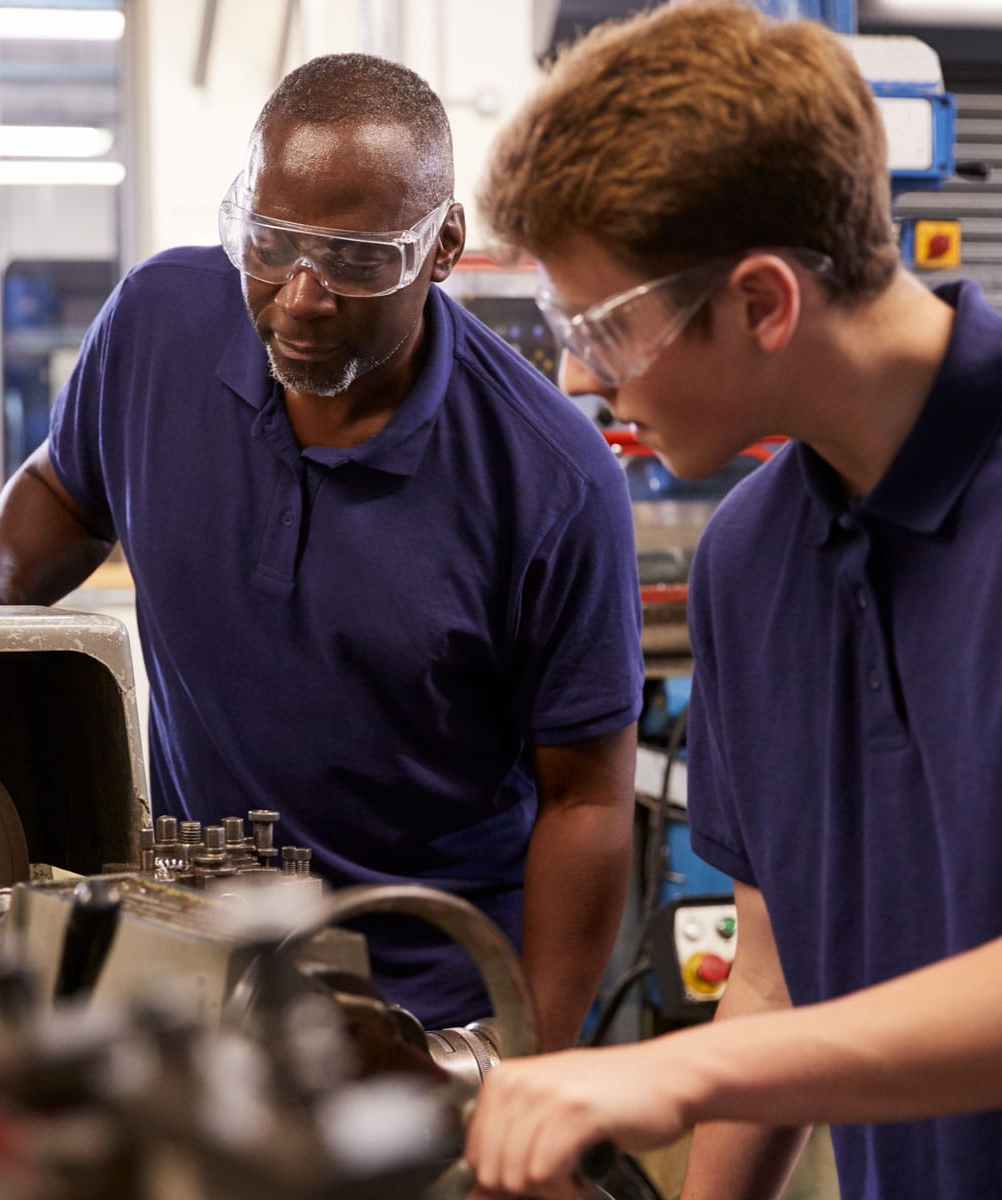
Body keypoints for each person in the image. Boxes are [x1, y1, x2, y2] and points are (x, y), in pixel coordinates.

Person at [0, 53, 644, 1045]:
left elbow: (586, 797)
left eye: (357, 259)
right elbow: (66, 484)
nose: (301, 296)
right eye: (270, 243)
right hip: (192, 959)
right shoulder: (160, 324)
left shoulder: (551, 479)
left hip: (426, 1006)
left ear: (443, 244)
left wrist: (523, 1060)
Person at [464, 2, 1002, 1197]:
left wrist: (689, 1076)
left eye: (606, 325)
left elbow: (753, 1052)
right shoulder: (752, 565)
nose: (575, 375)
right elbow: (774, 973)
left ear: (762, 302)